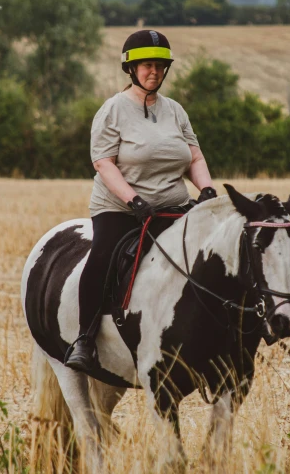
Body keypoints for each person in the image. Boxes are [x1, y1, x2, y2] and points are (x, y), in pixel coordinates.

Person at [65, 30, 216, 373]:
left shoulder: (175, 111)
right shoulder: (113, 110)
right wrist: (133, 200)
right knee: (102, 257)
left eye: (161, 66)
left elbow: (194, 158)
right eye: (147, 65)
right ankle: (85, 340)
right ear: (131, 69)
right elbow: (103, 163)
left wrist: (206, 190)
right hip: (121, 208)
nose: (155, 72)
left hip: (173, 206)